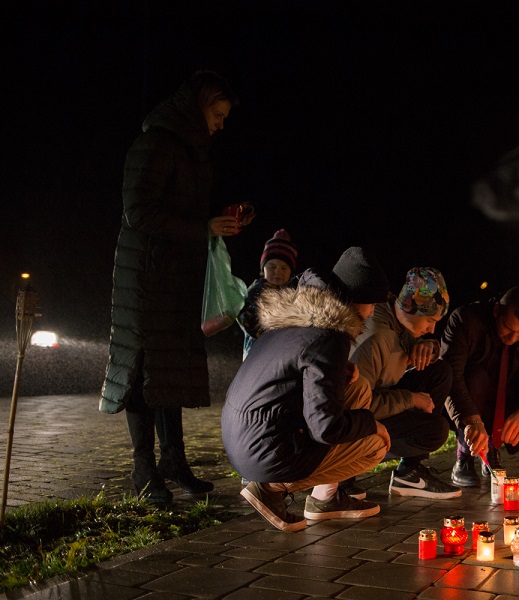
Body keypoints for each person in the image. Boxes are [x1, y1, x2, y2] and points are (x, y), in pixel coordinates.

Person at [99, 70, 242, 506]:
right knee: (142, 372)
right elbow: (138, 212)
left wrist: (214, 223)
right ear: (198, 106)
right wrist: (203, 227)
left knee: (169, 370)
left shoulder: (189, 149)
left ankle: (174, 461)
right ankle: (143, 470)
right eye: (217, 114)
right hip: (145, 278)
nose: (221, 124)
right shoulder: (155, 143)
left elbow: (180, 209)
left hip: (174, 277)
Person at [221, 247, 392, 532]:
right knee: (375, 447)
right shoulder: (330, 334)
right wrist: (372, 424)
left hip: (240, 437)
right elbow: (325, 428)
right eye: (371, 303)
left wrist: (337, 373)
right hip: (263, 450)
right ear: (352, 299)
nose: (373, 312)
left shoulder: (300, 316)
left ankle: (325, 499)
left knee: (358, 387)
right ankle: (271, 488)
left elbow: (289, 376)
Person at [348, 267, 461, 499]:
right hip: (353, 422)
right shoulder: (377, 338)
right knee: (434, 430)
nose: (432, 329)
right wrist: (410, 399)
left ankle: (409, 473)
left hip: (379, 399)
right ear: (411, 308)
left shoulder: (396, 318)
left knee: (439, 371)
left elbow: (407, 345)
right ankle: (342, 476)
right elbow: (356, 405)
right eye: (430, 320)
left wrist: (429, 347)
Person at [441, 286, 519, 487]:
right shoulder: (466, 320)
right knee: (476, 377)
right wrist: (472, 420)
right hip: (471, 399)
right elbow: (451, 374)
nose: (512, 338)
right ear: (496, 311)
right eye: (508, 328)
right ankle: (464, 456)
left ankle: (492, 447)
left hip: (508, 401)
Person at [237, 229, 299, 360]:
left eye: (284, 268)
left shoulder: (292, 293)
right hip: (256, 354)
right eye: (272, 267)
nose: (278, 272)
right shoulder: (257, 291)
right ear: (263, 268)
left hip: (278, 354)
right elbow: (247, 320)